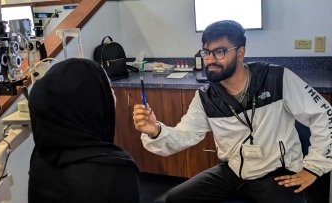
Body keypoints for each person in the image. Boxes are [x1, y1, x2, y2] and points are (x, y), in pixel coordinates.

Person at [132, 20, 332, 203]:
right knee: (175, 199)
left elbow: (324, 115)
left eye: (219, 52)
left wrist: (312, 169)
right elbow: (184, 135)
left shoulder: (276, 78)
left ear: (240, 53)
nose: (210, 59)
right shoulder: (206, 97)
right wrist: (155, 131)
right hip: (233, 170)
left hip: (276, 173)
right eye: (206, 52)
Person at [28, 58, 140, 203]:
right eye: (108, 90)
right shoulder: (116, 170)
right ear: (93, 102)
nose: (113, 96)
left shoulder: (41, 155)